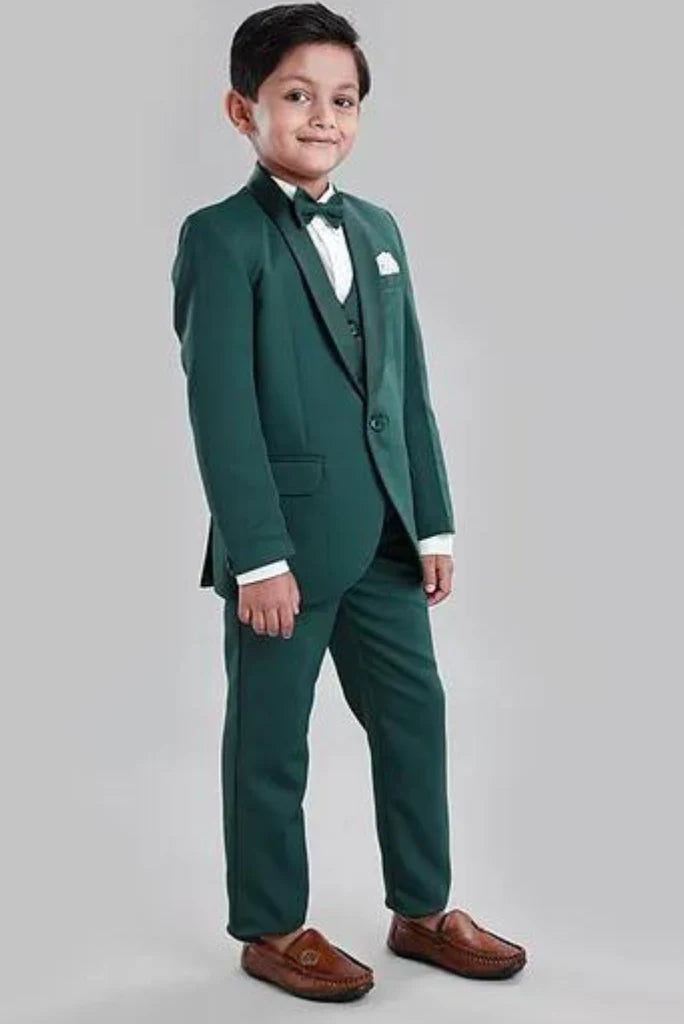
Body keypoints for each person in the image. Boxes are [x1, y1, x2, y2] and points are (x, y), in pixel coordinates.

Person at [171, 1, 527, 1002]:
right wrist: (257, 554)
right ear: (243, 110)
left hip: (384, 537)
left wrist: (434, 522)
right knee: (270, 740)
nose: (323, 116)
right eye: (297, 96)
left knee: (417, 715)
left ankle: (422, 907)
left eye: (343, 99)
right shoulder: (220, 239)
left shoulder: (379, 230)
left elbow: (405, 390)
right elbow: (221, 410)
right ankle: (272, 926)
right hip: (282, 548)